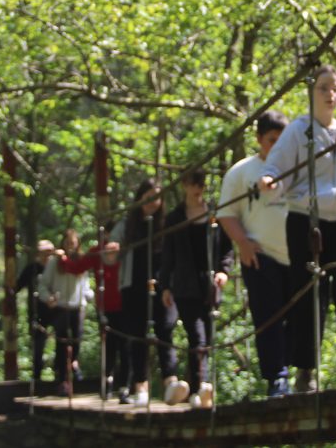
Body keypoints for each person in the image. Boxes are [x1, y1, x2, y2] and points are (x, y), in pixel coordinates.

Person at [260, 65, 336, 391]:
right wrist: (270, 181)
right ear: (312, 93)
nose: (330, 94)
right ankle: (306, 370)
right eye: (323, 88)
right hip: (306, 221)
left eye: (335, 88)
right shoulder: (298, 131)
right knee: (308, 295)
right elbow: (276, 168)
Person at [217, 110, 294, 397]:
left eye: (283, 140)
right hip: (260, 255)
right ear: (260, 139)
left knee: (301, 317)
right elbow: (226, 213)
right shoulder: (241, 172)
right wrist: (243, 243)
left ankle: (301, 373)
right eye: (272, 140)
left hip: (296, 255)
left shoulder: (298, 167)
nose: (277, 146)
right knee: (268, 318)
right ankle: (277, 378)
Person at [160, 168, 234, 408]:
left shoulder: (215, 214)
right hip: (184, 285)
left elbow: (227, 246)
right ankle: (202, 386)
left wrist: (224, 270)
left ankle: (195, 389)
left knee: (207, 337)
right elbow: (168, 254)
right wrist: (165, 286)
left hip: (210, 285)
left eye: (201, 184)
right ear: (184, 185)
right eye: (193, 183)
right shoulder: (174, 218)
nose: (197, 188)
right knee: (197, 335)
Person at [110, 179, 180, 407]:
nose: (152, 202)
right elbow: (111, 252)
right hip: (133, 285)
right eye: (148, 197)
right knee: (137, 335)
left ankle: (171, 383)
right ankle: (141, 386)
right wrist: (112, 250)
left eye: (156, 197)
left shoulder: (167, 223)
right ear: (140, 198)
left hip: (162, 285)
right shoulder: (127, 224)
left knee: (165, 330)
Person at [58, 236, 123, 399]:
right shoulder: (97, 252)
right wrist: (63, 259)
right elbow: (77, 267)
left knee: (124, 345)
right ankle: (108, 382)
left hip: (126, 303)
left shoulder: (126, 249)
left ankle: (126, 385)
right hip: (106, 306)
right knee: (109, 345)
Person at [39, 229, 92, 396]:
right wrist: (48, 298)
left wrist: (90, 295)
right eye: (67, 243)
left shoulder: (81, 261)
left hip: (77, 307)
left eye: (73, 243)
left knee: (77, 340)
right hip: (61, 307)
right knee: (62, 343)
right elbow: (43, 285)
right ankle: (62, 380)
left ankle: (73, 364)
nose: (70, 246)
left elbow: (85, 285)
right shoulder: (54, 263)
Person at [16, 239, 56, 382]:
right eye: (44, 252)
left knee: (62, 344)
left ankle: (61, 376)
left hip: (57, 311)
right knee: (38, 346)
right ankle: (37, 377)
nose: (47, 256)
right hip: (37, 313)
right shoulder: (31, 269)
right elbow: (17, 286)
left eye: (49, 252)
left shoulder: (58, 268)